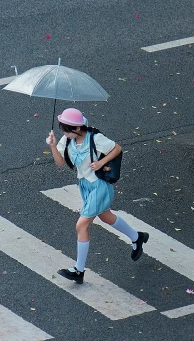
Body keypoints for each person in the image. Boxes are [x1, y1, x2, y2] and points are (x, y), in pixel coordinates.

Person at [46, 107, 148, 283]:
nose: (63, 131)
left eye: (65, 128)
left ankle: (79, 270)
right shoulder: (67, 140)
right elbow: (60, 163)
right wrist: (53, 146)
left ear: (77, 128)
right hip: (85, 186)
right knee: (106, 217)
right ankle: (137, 237)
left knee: (81, 225)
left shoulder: (95, 138)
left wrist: (101, 162)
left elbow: (117, 148)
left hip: (99, 185)